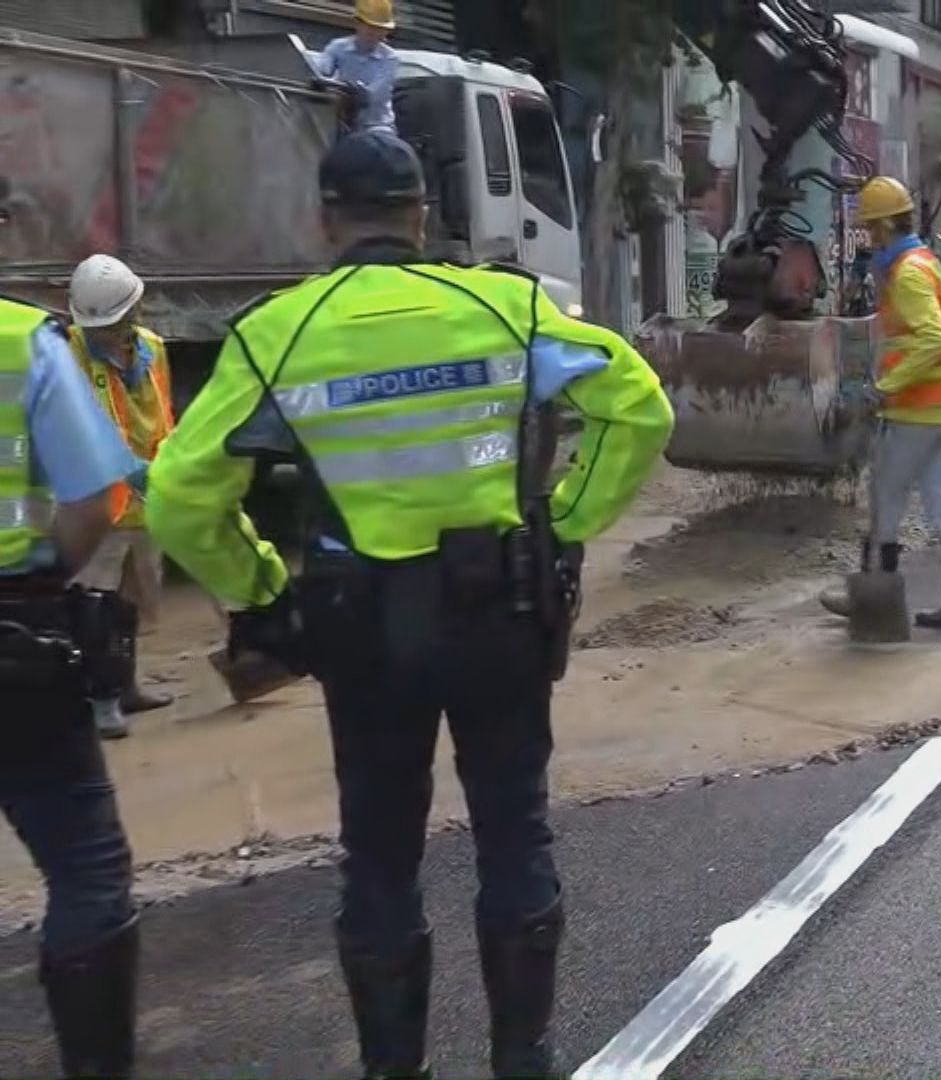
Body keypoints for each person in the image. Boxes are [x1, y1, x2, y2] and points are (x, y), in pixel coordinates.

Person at [144, 130, 674, 1077]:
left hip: (363, 633)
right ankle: (523, 1059)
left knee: (380, 855)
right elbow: (639, 408)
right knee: (514, 833)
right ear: (423, 214)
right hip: (500, 613)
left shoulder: (278, 334)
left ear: (327, 220)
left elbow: (179, 497)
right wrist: (564, 521)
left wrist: (258, 588)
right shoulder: (505, 304)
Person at [0, 295, 143, 1077]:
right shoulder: (23, 341)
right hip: (16, 644)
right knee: (85, 866)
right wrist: (39, 586)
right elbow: (92, 501)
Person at [819, 176, 941, 631]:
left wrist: (885, 386)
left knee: (885, 491)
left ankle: (874, 600)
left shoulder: (908, 273)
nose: (868, 238)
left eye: (871, 228)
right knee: (937, 496)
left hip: (921, 407)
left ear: (888, 226)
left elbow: (932, 336)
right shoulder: (924, 262)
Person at [66, 254, 177, 737]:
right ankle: (101, 697)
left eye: (114, 325)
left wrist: (168, 468)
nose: (106, 335)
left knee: (132, 600)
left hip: (147, 497)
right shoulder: (67, 353)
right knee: (94, 601)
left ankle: (126, 685)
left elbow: (163, 413)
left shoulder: (152, 349)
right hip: (96, 504)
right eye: (100, 328)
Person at [310, 0, 400, 133]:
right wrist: (321, 80)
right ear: (357, 24)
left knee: (375, 141)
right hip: (340, 122)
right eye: (370, 27)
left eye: (380, 29)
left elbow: (372, 95)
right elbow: (319, 72)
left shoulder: (390, 58)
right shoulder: (338, 47)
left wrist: (352, 91)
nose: (375, 34)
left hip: (375, 126)